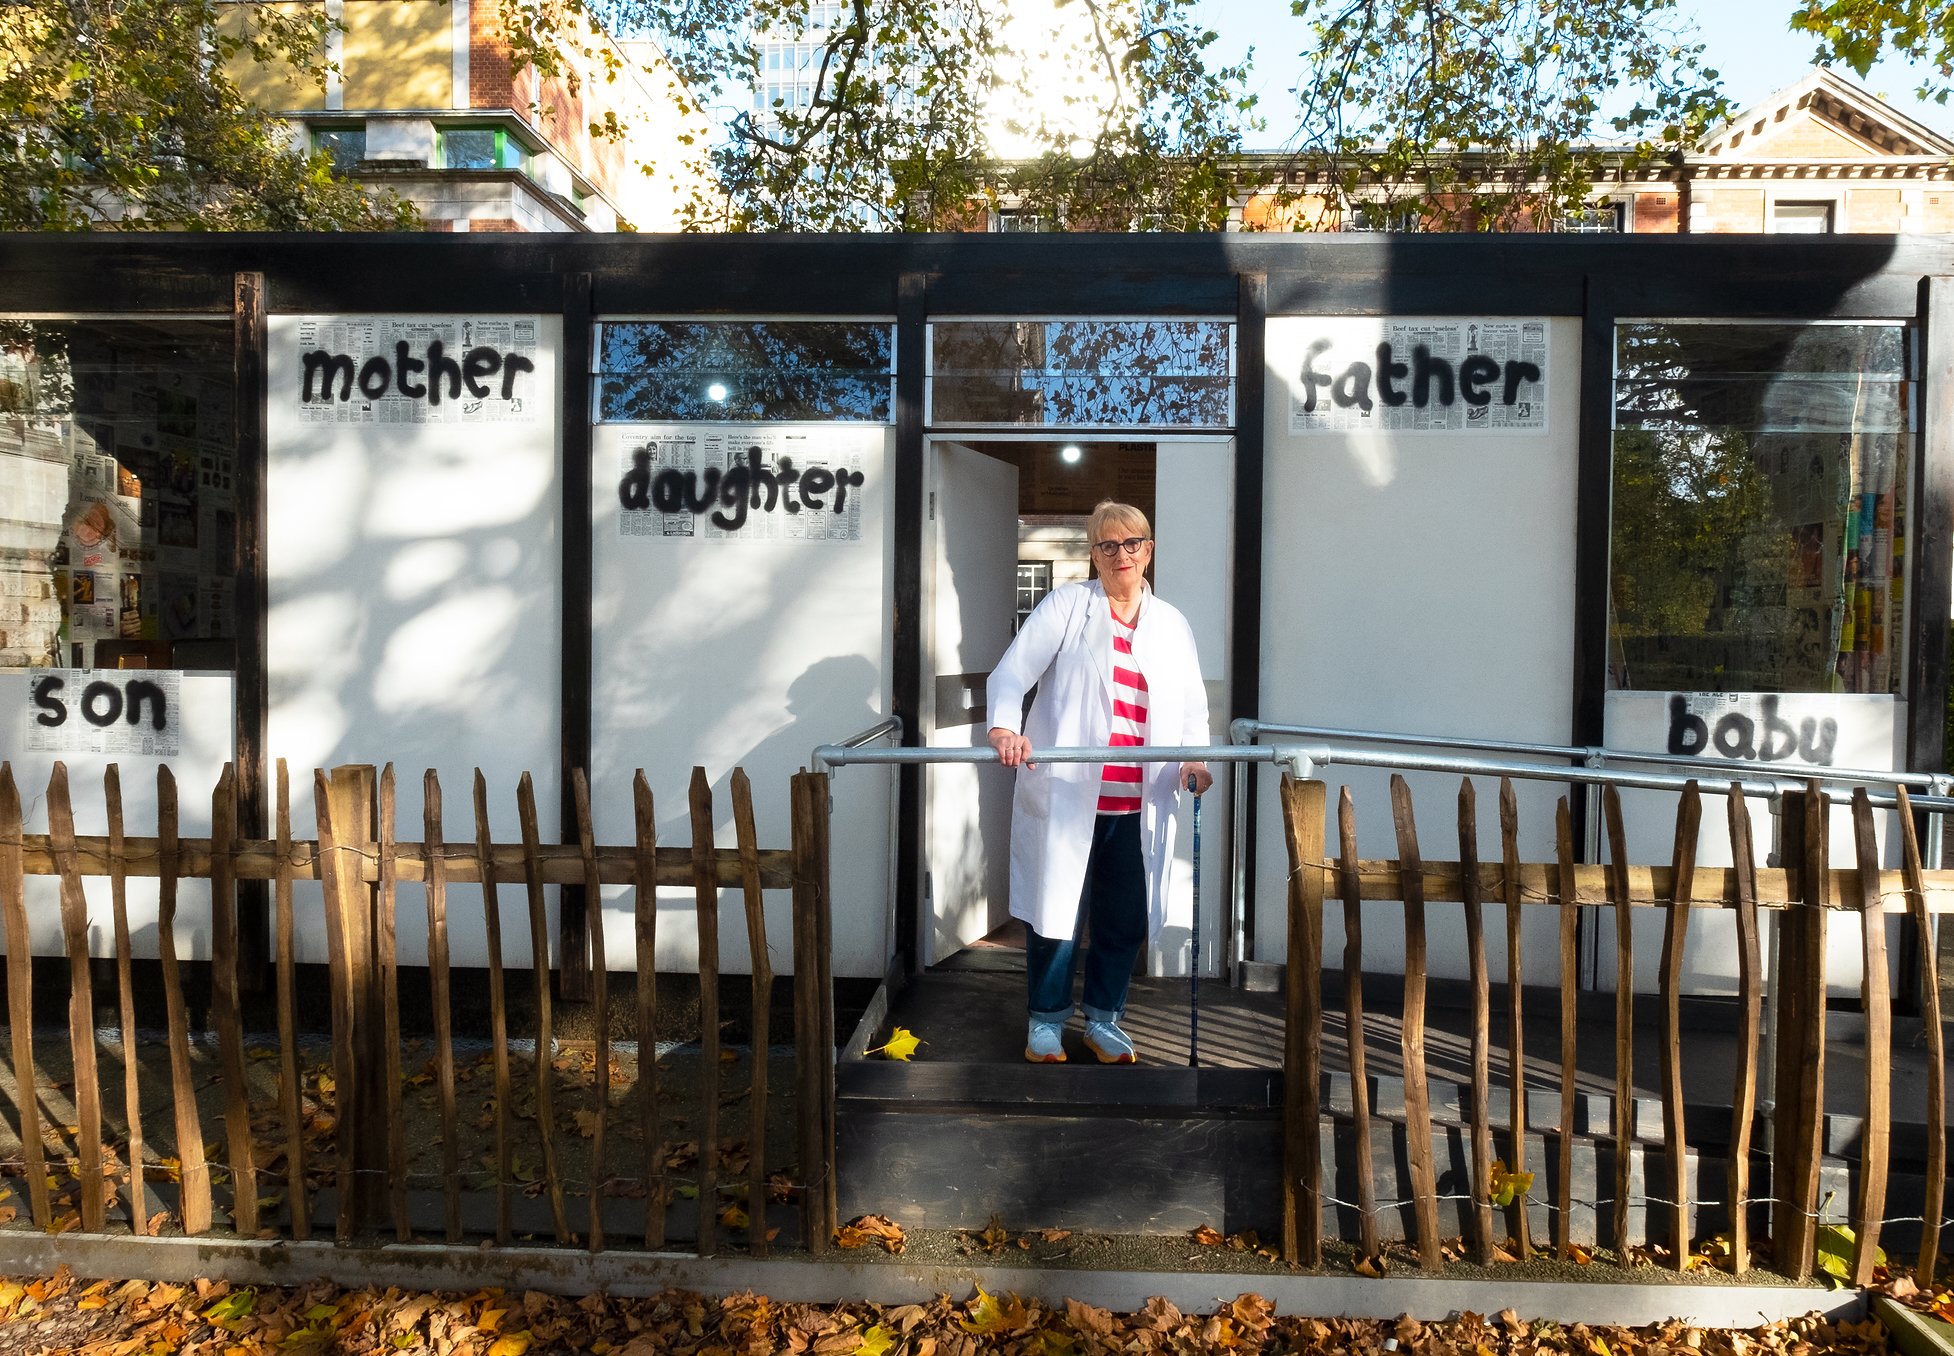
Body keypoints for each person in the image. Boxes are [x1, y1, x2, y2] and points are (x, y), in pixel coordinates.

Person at [986, 500, 1213, 1065]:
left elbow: (1191, 708)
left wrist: (1194, 760)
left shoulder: (1172, 624)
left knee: (1123, 918)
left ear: (1149, 550)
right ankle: (1045, 1022)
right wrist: (1003, 730)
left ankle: (1105, 1022)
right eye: (1107, 545)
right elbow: (1013, 672)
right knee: (1056, 912)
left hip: (1138, 804)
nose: (1121, 555)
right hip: (1068, 795)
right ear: (1093, 554)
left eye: (1131, 543)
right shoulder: (1067, 607)